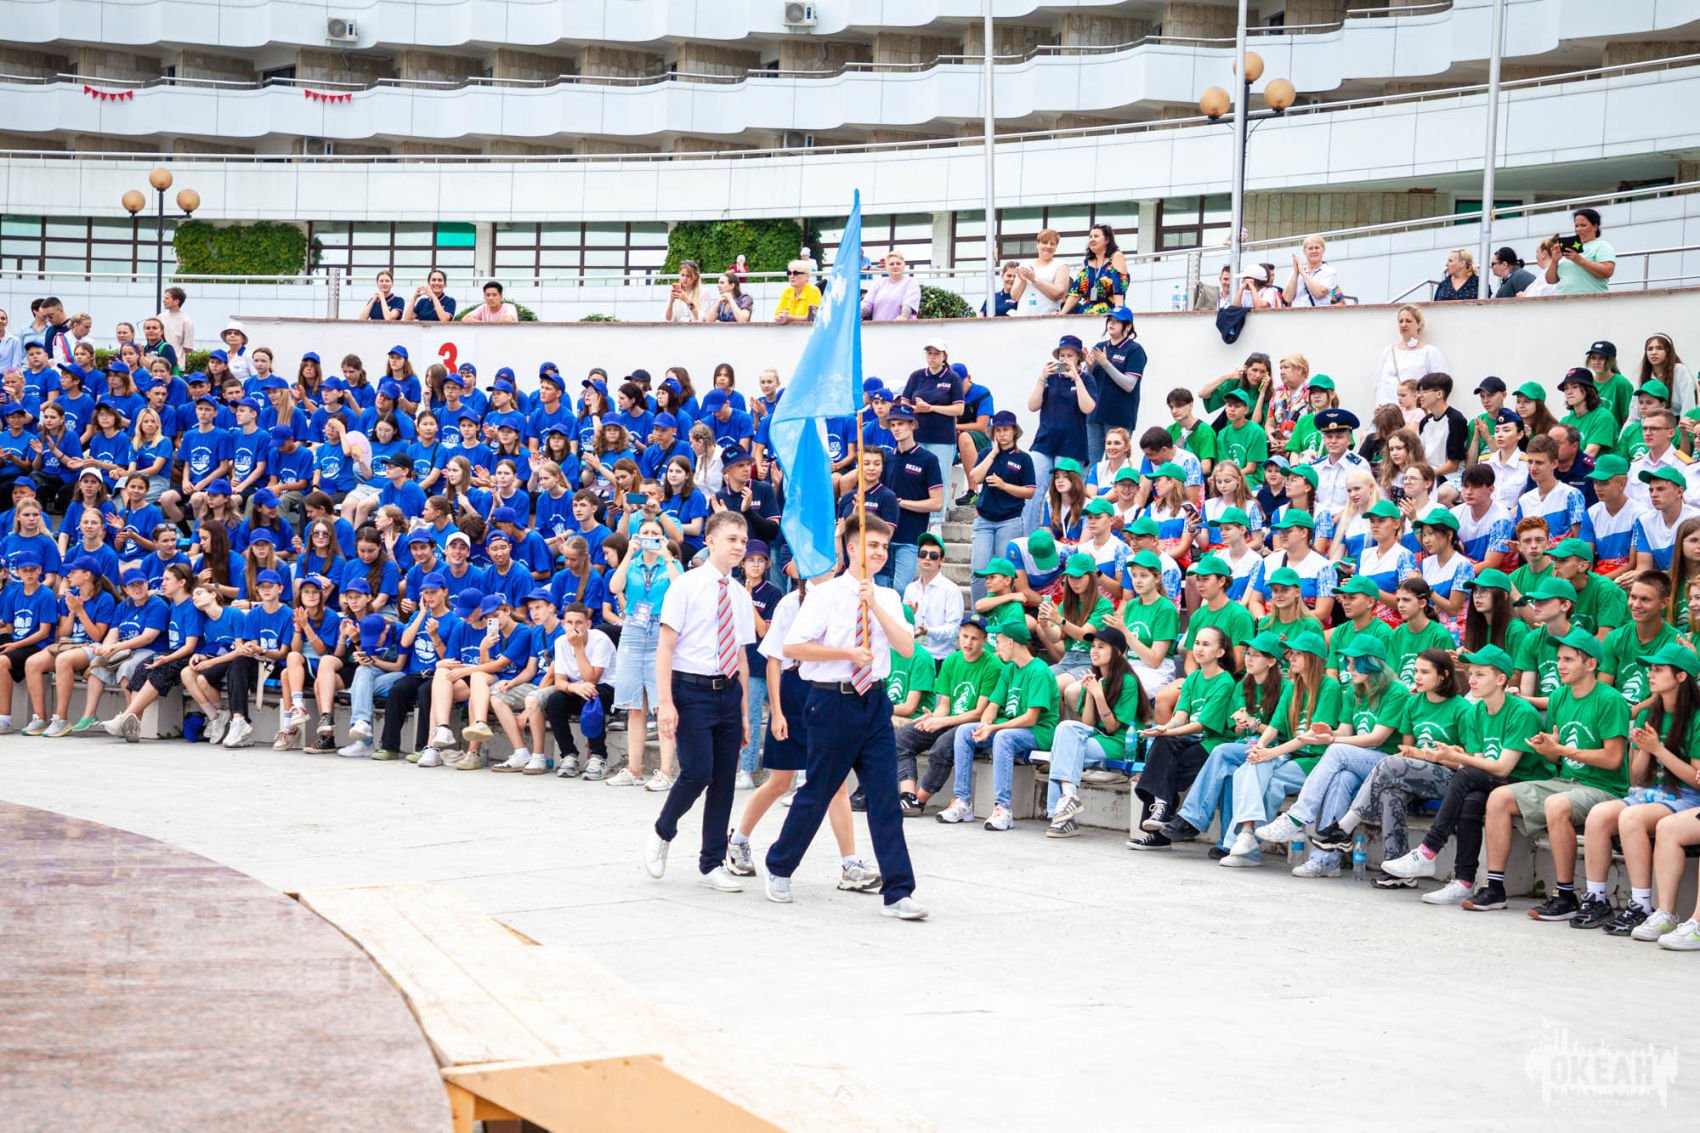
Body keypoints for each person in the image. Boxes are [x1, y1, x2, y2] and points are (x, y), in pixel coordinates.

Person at [765, 512, 926, 919]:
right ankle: (779, 866)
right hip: (832, 702)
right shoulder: (826, 594)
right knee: (818, 792)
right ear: (852, 548)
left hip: (874, 702)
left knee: (885, 799)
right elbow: (794, 647)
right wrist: (846, 654)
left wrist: (876, 606)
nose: (880, 552)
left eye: (884, 547)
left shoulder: (888, 596)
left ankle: (898, 891)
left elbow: (906, 648)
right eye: (873, 545)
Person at [724, 577, 880, 892]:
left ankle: (850, 864)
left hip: (826, 694)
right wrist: (777, 711)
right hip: (793, 694)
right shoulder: (790, 602)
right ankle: (738, 840)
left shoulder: (843, 597)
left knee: (835, 784)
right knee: (779, 783)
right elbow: (774, 660)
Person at [1463, 628, 1630, 916]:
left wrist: (1563, 750)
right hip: (1566, 780)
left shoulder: (1610, 699)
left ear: (1591, 664)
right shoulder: (1559, 697)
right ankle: (1495, 887)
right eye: (1559, 659)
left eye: (1568, 659)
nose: (1559, 665)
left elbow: (1613, 759)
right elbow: (1556, 755)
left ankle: (1565, 895)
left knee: (1557, 804)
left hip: (1604, 788)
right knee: (1499, 797)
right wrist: (1547, 748)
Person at [1379, 645, 1545, 905]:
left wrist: (1458, 758)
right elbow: (1480, 763)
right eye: (1471, 674)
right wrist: (1457, 756)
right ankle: (1464, 882)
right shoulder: (1476, 712)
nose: (1472, 680)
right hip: (1494, 782)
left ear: (1501, 679)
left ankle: (1428, 850)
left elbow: (1503, 768)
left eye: (1480, 674)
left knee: (1467, 775)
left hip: (1526, 782)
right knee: (1472, 799)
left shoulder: (1522, 712)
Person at [643, 511, 755, 890]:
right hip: (690, 691)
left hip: (728, 692)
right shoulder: (686, 586)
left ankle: (712, 862)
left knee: (724, 781)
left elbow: (740, 656)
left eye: (743, 541)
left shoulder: (739, 595)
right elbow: (665, 647)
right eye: (731, 539)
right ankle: (663, 829)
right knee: (697, 773)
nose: (739, 547)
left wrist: (744, 714)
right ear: (710, 541)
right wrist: (666, 703)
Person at [1567, 643, 1700, 932]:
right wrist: (1646, 751)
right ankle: (1596, 898)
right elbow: (1637, 779)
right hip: (1654, 792)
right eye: (1650, 669)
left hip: (1688, 797)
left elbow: (1695, 778)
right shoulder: (1647, 714)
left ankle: (1641, 905)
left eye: (1659, 669)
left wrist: (1659, 749)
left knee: (1631, 817)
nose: (1650, 674)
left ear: (1681, 677)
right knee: (1599, 815)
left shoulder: (1696, 717)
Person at [936, 617, 1058, 833]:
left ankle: (1003, 808)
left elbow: (1031, 718)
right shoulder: (1009, 669)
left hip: (1037, 731)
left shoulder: (1039, 671)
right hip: (1010, 726)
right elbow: (992, 706)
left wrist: (993, 728)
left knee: (1003, 737)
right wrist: (984, 725)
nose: (996, 647)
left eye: (999, 641)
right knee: (965, 731)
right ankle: (962, 802)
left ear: (1011, 642)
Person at [1125, 625, 1238, 849]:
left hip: (1211, 744)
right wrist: (1166, 727)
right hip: (1189, 740)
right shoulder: (1193, 677)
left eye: (1206, 644)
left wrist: (1167, 731)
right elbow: (1181, 715)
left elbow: (1201, 724)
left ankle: (1159, 827)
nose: (1199, 648)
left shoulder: (1225, 682)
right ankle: (1162, 811)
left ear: (1220, 652)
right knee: (1162, 747)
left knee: (1161, 766)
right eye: (1197, 643)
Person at [1044, 626, 1148, 838]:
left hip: (1120, 743)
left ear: (1117, 652)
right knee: (1064, 729)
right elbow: (1088, 723)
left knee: (1061, 747)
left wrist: (1098, 695)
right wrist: (1090, 694)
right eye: (1093, 646)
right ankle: (1068, 799)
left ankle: (1060, 813)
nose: (1094, 651)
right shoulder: (1094, 678)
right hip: (1099, 738)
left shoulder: (1128, 681)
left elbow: (1112, 727)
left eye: (1101, 647)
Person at [606, 517, 682, 787]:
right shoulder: (632, 563)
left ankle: (666, 771)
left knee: (662, 704)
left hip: (662, 628)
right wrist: (629, 553)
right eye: (645, 532)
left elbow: (681, 589)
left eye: (655, 533)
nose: (649, 536)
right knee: (634, 706)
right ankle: (634, 769)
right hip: (634, 629)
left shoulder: (671, 563)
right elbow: (615, 587)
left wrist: (667, 556)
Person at [967, 411, 1034, 604]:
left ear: (1014, 432)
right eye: (998, 430)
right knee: (978, 570)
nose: (1002, 434)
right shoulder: (986, 454)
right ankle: (978, 614)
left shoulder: (1023, 459)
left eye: (1006, 429)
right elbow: (975, 477)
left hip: (1010, 520)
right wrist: (993, 453)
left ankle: (1002, 612)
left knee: (1004, 572)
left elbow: (1029, 491)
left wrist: (1004, 485)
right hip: (984, 520)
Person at [1084, 306, 1145, 464]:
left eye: (1117, 321)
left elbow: (1129, 385)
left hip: (1119, 417)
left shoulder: (1134, 350)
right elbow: (1088, 382)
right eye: (1110, 320)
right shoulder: (1099, 346)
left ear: (1128, 326)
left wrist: (1106, 364)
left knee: (1115, 463)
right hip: (1095, 415)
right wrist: (1089, 368)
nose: (1111, 323)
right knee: (1091, 465)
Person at [1372, 305, 1448, 407]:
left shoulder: (1429, 352)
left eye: (1408, 321)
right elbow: (1379, 383)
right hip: (1388, 411)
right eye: (1401, 321)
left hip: (1414, 410)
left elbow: (1441, 385)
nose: (1403, 324)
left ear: (1419, 324)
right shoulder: (1389, 351)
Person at [1060, 223, 1129, 315]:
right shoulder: (1086, 262)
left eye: (1096, 236)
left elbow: (1119, 291)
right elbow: (1076, 293)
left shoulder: (1116, 257)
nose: (1092, 239)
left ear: (1107, 240)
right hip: (1086, 315)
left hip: (1109, 314)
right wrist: (1062, 313)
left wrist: (1118, 315)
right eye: (1090, 237)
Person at [1545, 207, 1616, 295]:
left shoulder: (1602, 246)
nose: (1578, 229)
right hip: (1564, 300)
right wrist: (1554, 261)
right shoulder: (1568, 246)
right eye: (1576, 226)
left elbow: (1607, 271)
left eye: (1583, 225)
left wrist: (1579, 260)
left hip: (1592, 299)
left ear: (1595, 227)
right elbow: (1550, 280)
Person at [1011, 227, 1071, 317]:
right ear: (1037, 244)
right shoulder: (1025, 264)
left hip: (1048, 318)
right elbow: (1015, 297)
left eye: (1052, 244)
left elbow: (1058, 294)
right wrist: (1023, 281)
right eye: (1045, 242)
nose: (1048, 246)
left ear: (1056, 247)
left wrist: (1034, 279)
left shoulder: (1061, 265)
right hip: (1023, 317)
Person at [1283, 234, 1341, 307]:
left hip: (1317, 313)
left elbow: (1319, 293)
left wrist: (1303, 274)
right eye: (1310, 248)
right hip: (1297, 313)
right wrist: (1296, 273)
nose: (1314, 251)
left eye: (1317, 248)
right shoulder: (1296, 273)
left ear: (1323, 250)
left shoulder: (1329, 271)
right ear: (1304, 251)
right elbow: (1287, 298)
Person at [862, 250, 921, 321]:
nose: (895, 266)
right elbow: (867, 304)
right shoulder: (878, 282)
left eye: (898, 263)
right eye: (891, 264)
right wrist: (858, 313)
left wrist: (903, 317)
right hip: (878, 326)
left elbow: (909, 304)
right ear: (886, 267)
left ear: (904, 265)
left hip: (902, 326)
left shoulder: (911, 282)